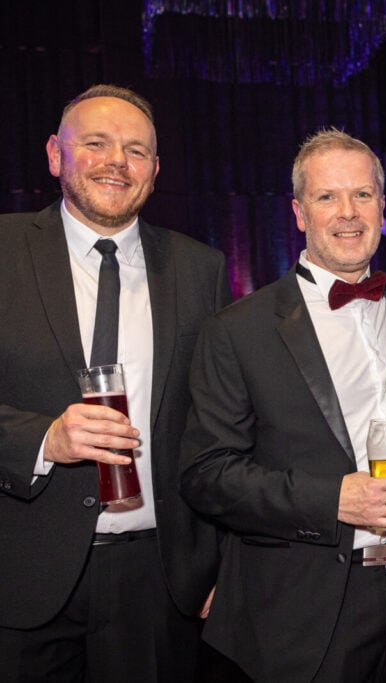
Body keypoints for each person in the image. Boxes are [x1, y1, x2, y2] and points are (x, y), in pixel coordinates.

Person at [179, 128, 386, 682]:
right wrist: (333, 499)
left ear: (382, 205)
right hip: (311, 604)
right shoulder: (238, 330)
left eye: (362, 194)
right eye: (328, 196)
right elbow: (205, 474)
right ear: (299, 212)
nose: (348, 213)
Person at [0, 84, 231, 680]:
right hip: (21, 575)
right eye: (96, 144)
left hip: (159, 581)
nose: (116, 162)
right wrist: (44, 440)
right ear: (55, 155)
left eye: (136, 150)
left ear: (154, 171)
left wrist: (218, 564)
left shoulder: (200, 268)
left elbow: (221, 425)